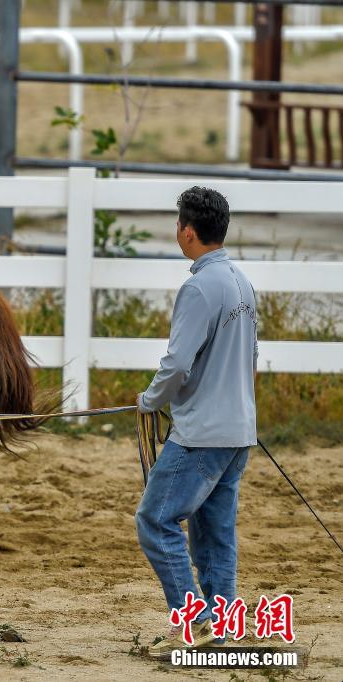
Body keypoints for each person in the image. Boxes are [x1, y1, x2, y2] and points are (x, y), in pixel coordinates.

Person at [135, 187, 258, 657]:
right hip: (237, 430)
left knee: (156, 520)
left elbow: (178, 363)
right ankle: (221, 624)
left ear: (187, 231)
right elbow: (250, 358)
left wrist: (150, 400)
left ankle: (195, 620)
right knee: (215, 531)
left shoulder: (199, 287)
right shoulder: (242, 283)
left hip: (202, 433)